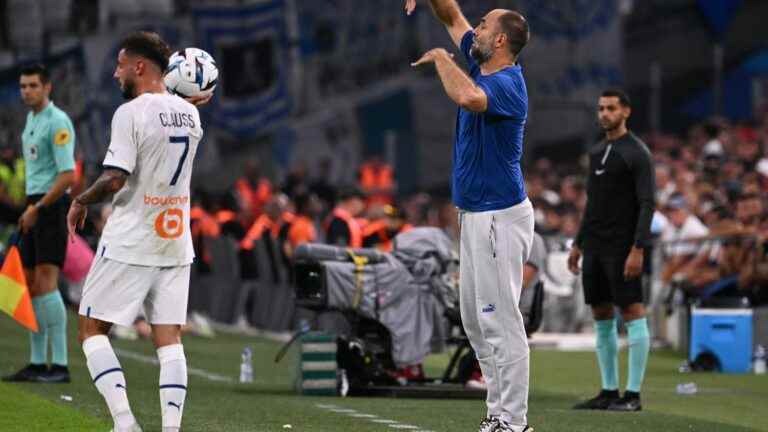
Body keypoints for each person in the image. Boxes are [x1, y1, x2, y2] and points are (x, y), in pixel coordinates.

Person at [67, 31, 209, 432]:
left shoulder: (129, 113)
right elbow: (173, 120)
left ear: (140, 66)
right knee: (169, 339)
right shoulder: (191, 113)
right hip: (176, 242)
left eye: (120, 64)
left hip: (132, 238)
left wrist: (81, 200)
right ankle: (171, 429)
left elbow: (114, 179)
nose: (115, 73)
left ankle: (125, 423)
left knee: (91, 329)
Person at [406, 1, 534, 431]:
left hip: (500, 215)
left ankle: (513, 422)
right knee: (476, 323)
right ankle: (497, 414)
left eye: (482, 26)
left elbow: (467, 97)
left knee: (501, 321)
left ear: (500, 40)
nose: (472, 31)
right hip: (478, 214)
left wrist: (442, 59)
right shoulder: (483, 66)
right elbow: (449, 14)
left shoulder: (508, 83)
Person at [568, 89, 655, 412]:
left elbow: (648, 203)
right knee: (601, 313)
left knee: (632, 310)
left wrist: (638, 248)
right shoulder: (596, 152)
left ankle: (632, 395)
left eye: (611, 108)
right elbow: (593, 203)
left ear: (626, 112)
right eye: (601, 108)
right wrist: (578, 242)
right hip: (595, 246)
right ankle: (608, 390)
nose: (604, 113)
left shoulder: (637, 153)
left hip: (623, 246)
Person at [2, 64, 76, 384]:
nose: (27, 91)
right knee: (30, 285)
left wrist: (39, 208)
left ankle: (59, 365)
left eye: (33, 85)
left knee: (46, 282)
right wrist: (29, 207)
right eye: (22, 86)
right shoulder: (30, 122)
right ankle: (36, 362)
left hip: (51, 206)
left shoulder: (58, 122)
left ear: (47, 87)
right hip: (34, 205)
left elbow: (67, 175)